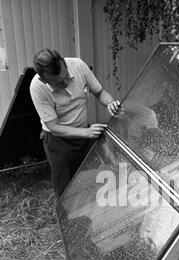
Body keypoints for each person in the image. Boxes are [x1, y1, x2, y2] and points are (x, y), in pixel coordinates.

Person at [30, 48, 121, 198]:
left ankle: (93, 212)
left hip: (84, 134)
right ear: (44, 80)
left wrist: (110, 103)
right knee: (65, 189)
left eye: (66, 75)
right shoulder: (37, 87)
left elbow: (100, 92)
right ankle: (67, 220)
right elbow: (54, 127)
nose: (66, 82)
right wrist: (87, 132)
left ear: (65, 64)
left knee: (96, 178)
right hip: (58, 141)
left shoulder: (78, 65)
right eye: (59, 82)